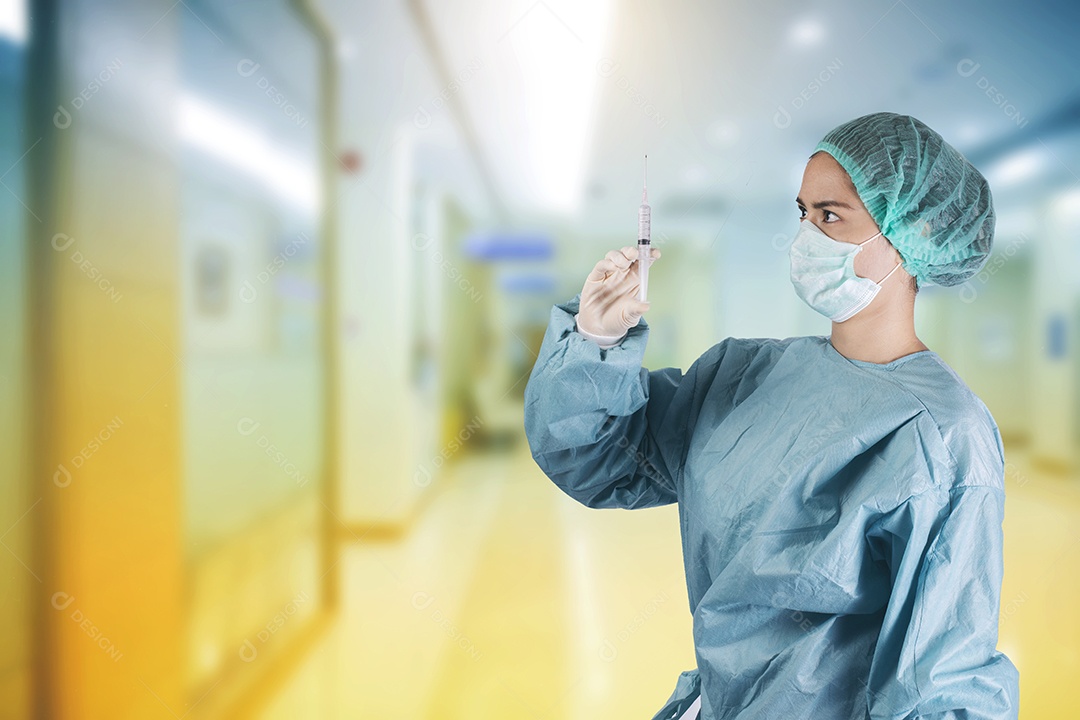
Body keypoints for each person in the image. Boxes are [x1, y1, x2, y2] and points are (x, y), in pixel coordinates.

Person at [523, 112, 1019, 719]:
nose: (805, 235)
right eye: (802, 213)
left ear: (909, 234)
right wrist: (596, 341)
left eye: (830, 216)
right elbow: (598, 461)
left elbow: (941, 681)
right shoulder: (743, 375)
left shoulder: (943, 435)